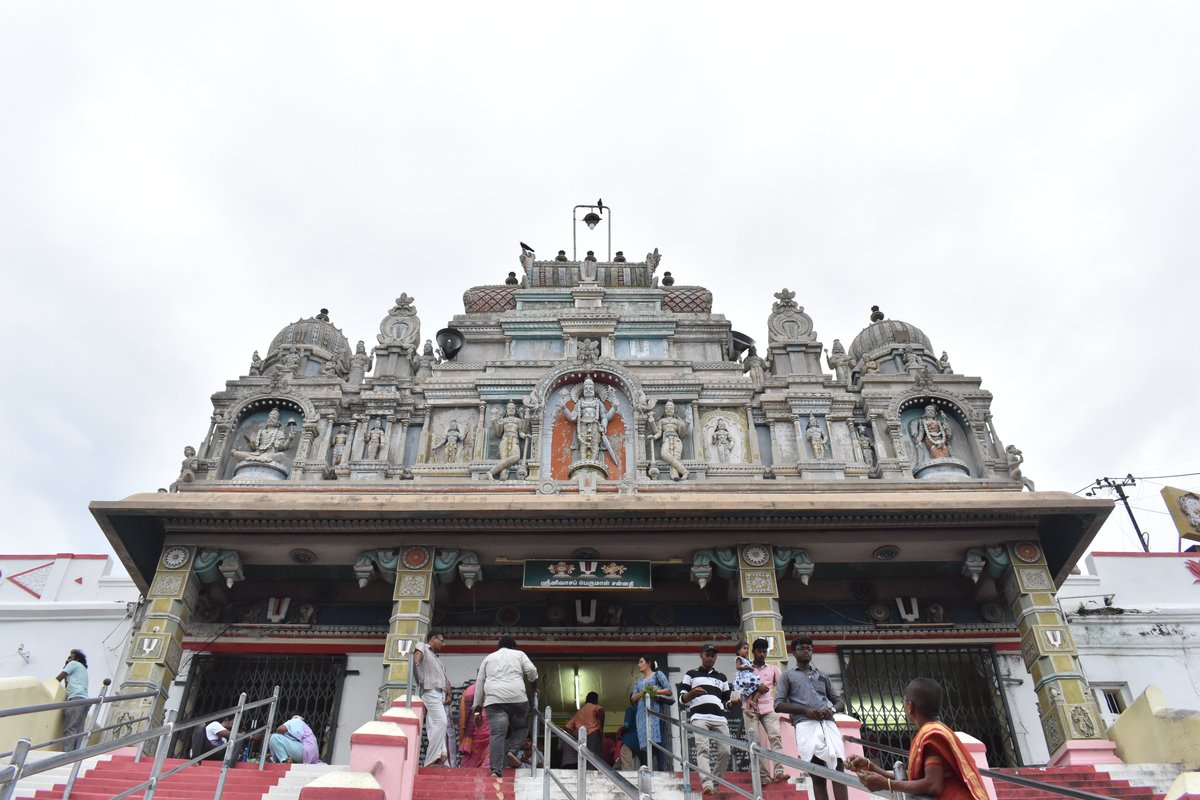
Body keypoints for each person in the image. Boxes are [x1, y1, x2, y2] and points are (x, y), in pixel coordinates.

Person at [848, 678, 988, 800]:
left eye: (904, 701)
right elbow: (916, 780)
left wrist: (886, 784)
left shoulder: (932, 735)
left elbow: (933, 785)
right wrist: (870, 767)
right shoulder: (938, 731)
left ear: (910, 706)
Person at [775, 638, 847, 800]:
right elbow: (778, 705)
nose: (806, 651)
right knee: (817, 773)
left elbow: (838, 702)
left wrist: (831, 710)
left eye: (809, 648)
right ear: (794, 652)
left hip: (828, 724)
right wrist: (805, 710)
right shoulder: (788, 676)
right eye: (802, 648)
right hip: (805, 725)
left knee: (839, 769)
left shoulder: (822, 675)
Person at [473, 635, 539, 778]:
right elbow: (532, 672)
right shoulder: (519, 654)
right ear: (514, 647)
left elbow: (479, 684)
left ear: (498, 647)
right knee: (521, 727)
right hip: (517, 699)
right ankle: (513, 750)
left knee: (497, 734)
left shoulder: (489, 658)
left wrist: (477, 710)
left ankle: (496, 771)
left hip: (494, 701)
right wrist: (534, 688)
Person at [681, 644, 732, 796]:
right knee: (703, 749)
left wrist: (732, 703)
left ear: (715, 657)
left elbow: (726, 703)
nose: (710, 658)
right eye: (707, 655)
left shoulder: (722, 677)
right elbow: (682, 699)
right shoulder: (691, 674)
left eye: (712, 655)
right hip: (699, 717)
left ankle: (714, 782)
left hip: (719, 718)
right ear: (701, 655)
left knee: (726, 751)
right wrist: (693, 693)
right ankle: (707, 783)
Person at [743, 638, 786, 784]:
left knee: (776, 738)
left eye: (764, 651)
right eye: (759, 651)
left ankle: (779, 772)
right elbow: (740, 687)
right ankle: (764, 776)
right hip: (750, 708)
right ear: (753, 652)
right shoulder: (746, 669)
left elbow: (782, 689)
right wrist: (756, 688)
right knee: (755, 742)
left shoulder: (773, 669)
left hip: (769, 707)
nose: (762, 654)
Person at [414, 631, 453, 766]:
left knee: (435, 725)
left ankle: (440, 757)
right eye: (441, 641)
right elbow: (417, 657)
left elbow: (447, 681)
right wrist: (416, 664)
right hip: (430, 690)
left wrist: (449, 695)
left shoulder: (438, 661)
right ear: (433, 638)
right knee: (442, 722)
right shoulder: (422, 646)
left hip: (440, 694)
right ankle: (431, 759)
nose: (443, 644)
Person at [630, 655, 674, 770]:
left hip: (655, 712)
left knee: (658, 740)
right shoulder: (638, 682)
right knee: (644, 742)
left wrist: (655, 691)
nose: (639, 664)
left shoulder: (657, 675)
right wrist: (643, 692)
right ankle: (646, 768)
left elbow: (669, 690)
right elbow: (633, 699)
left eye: (641, 662)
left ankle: (661, 768)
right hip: (641, 715)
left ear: (648, 663)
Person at [54, 649, 89, 751]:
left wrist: (52, 682)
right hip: (85, 700)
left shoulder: (74, 664)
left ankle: (66, 755)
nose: (67, 660)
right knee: (79, 731)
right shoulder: (82, 669)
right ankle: (77, 754)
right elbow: (67, 685)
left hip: (76, 698)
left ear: (76, 659)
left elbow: (59, 678)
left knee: (70, 728)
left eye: (70, 657)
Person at [565, 691, 605, 767]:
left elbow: (567, 727)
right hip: (593, 735)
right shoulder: (594, 706)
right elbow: (601, 711)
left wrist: (573, 739)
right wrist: (601, 729)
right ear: (595, 700)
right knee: (594, 759)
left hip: (581, 738)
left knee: (584, 759)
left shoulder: (578, 712)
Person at [459, 682, 490, 769]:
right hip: (491, 730)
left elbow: (463, 719)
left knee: (470, 763)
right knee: (488, 760)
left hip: (474, 732)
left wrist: (463, 739)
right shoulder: (496, 686)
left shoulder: (469, 690)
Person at [617, 699, 641, 770]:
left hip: (629, 742)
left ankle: (625, 781)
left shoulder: (630, 709)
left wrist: (621, 732)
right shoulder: (643, 712)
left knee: (627, 767)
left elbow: (626, 725)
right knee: (638, 767)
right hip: (640, 744)